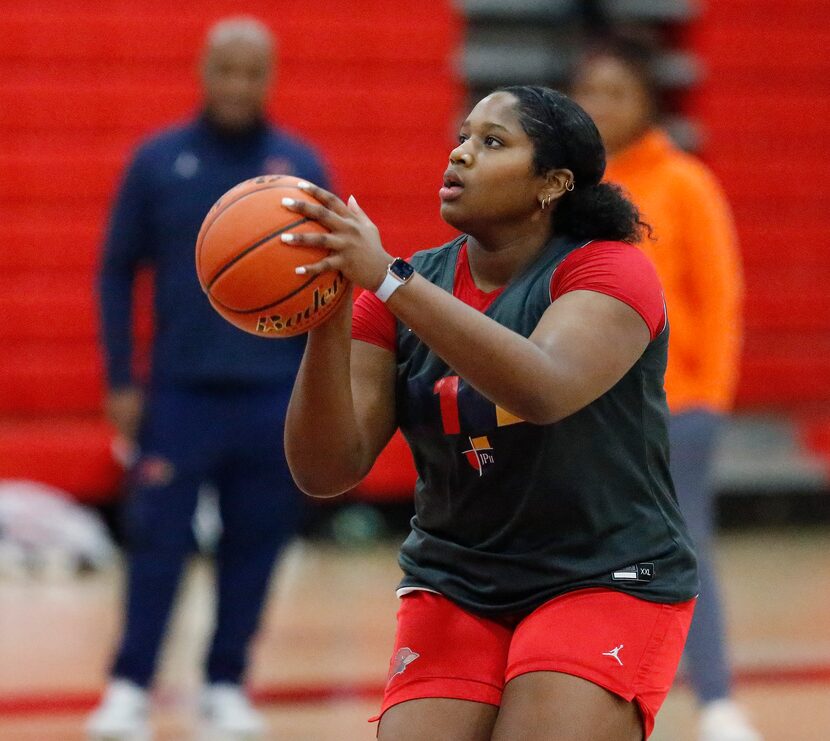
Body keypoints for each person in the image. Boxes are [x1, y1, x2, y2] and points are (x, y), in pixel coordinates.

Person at [281, 85, 698, 740]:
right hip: (457, 578)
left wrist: (388, 280)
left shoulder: (609, 272)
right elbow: (326, 469)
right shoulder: (407, 290)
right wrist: (324, 320)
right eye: (463, 137)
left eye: (493, 142)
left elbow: (543, 389)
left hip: (602, 571)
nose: (462, 155)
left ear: (552, 184)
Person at [88, 16, 329, 741]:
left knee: (255, 543)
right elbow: (114, 269)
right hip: (180, 392)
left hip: (270, 393)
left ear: (270, 78)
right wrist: (120, 378)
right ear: (203, 71)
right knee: (157, 541)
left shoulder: (301, 167)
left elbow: (335, 287)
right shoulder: (158, 161)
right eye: (226, 70)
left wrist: (319, 393)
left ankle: (226, 682)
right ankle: (130, 685)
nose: (237, 85)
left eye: (252, 72)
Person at [570, 37, 757, 741]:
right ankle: (596, 696)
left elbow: (720, 296)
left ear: (646, 102)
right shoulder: (565, 192)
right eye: (590, 91)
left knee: (687, 549)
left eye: (618, 91)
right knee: (585, 557)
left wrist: (709, 397)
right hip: (581, 410)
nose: (602, 105)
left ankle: (716, 700)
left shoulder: (685, 184)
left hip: (676, 409)